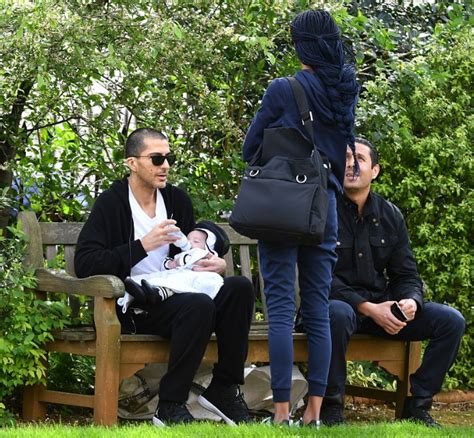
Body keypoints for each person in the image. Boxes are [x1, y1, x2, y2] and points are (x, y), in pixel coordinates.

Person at [74, 127, 255, 427]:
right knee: (198, 305)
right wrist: (144, 245)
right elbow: (86, 264)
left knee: (238, 288)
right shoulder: (112, 203)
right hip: (137, 306)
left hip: (181, 295)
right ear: (132, 163)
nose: (166, 166)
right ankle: (170, 405)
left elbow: (190, 251)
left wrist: (214, 264)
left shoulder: (176, 200)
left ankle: (224, 387)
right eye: (157, 159)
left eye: (168, 158)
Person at [242, 9, 359, 427]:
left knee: (278, 307)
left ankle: (278, 413)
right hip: (324, 206)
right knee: (317, 307)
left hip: (282, 206)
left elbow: (250, 147)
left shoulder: (283, 88)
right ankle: (313, 412)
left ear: (301, 43)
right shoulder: (345, 89)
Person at [318, 137, 465, 427]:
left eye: (359, 158)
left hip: (381, 311)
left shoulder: (390, 215)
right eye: (346, 158)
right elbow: (319, 278)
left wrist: (411, 300)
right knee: (336, 313)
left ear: (375, 170)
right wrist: (369, 308)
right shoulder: (322, 210)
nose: (351, 164)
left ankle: (417, 405)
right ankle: (332, 408)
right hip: (335, 309)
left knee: (451, 321)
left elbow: (406, 273)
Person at [123, 221, 230, 306]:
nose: (190, 243)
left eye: (196, 241)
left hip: (193, 279)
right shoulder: (185, 254)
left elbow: (190, 259)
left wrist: (180, 259)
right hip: (180, 279)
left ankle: (156, 293)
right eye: (189, 239)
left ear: (209, 250)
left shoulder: (202, 255)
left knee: (175, 283)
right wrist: (170, 264)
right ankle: (138, 289)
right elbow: (168, 265)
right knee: (160, 279)